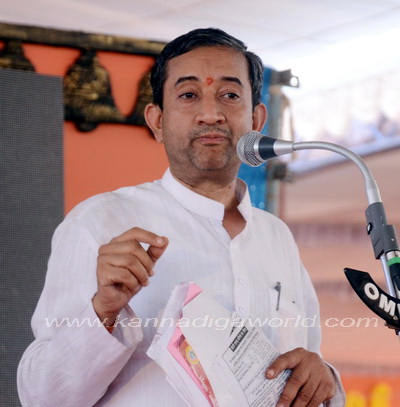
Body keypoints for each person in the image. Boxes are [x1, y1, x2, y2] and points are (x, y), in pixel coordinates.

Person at [18, 28, 345, 406]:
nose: (211, 114)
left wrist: (322, 376)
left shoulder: (277, 237)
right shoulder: (100, 222)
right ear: (157, 121)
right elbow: (41, 397)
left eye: (230, 95)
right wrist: (103, 311)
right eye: (189, 95)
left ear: (256, 120)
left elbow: (306, 368)